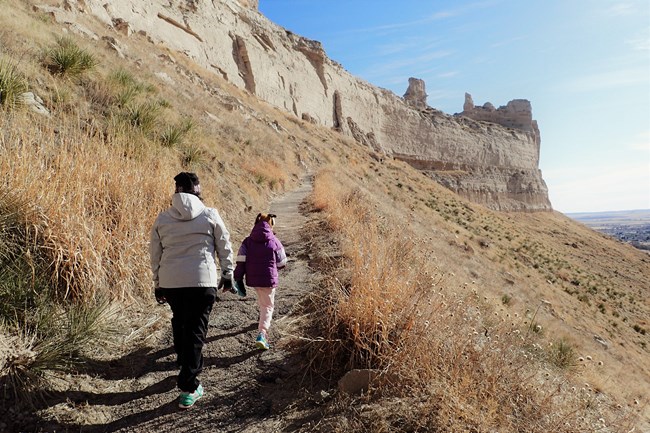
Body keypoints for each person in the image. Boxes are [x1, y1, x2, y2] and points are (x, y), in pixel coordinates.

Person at [149, 172, 235, 409]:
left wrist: (157, 282)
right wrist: (228, 274)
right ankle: (189, 386)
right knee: (196, 330)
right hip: (202, 281)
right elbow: (224, 245)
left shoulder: (163, 218)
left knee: (180, 320)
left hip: (171, 281)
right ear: (198, 191)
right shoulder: (209, 214)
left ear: (176, 191)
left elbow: (155, 253)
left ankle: (183, 359)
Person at [234, 213, 287, 350]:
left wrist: (238, 277)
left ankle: (262, 319)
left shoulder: (247, 241)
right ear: (271, 224)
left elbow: (240, 261)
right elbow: (282, 262)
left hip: (253, 279)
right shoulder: (274, 241)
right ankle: (262, 334)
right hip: (268, 279)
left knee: (263, 301)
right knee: (267, 306)